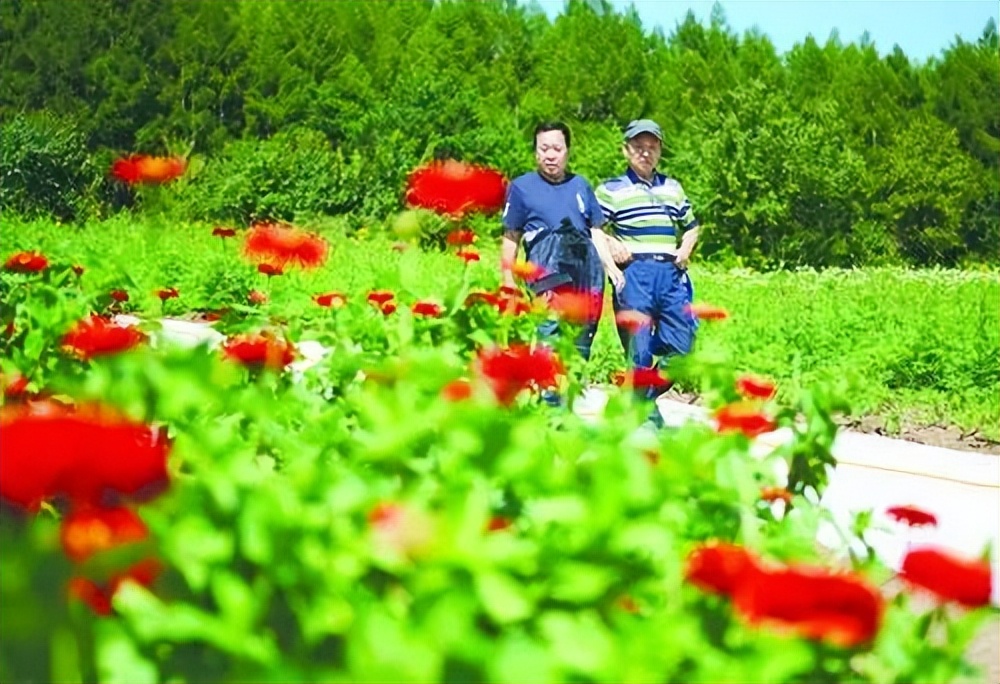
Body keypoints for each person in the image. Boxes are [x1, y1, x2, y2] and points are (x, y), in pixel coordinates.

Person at [595, 119, 701, 415]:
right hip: (635, 274)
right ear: (626, 150)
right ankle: (640, 419)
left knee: (682, 349)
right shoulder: (610, 190)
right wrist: (611, 246)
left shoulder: (673, 188)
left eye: (652, 147)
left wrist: (685, 249)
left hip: (670, 275)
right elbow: (590, 229)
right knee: (639, 352)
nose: (646, 153)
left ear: (660, 151)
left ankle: (636, 401)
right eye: (639, 147)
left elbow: (692, 226)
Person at [500, 121, 622, 360]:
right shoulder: (521, 187)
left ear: (567, 150)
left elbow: (595, 231)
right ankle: (548, 397)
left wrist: (611, 267)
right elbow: (511, 236)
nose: (550, 155)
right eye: (544, 149)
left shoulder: (581, 185)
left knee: (578, 352)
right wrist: (508, 280)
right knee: (548, 347)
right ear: (536, 151)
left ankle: (569, 395)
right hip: (546, 281)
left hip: (586, 279)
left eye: (557, 148)